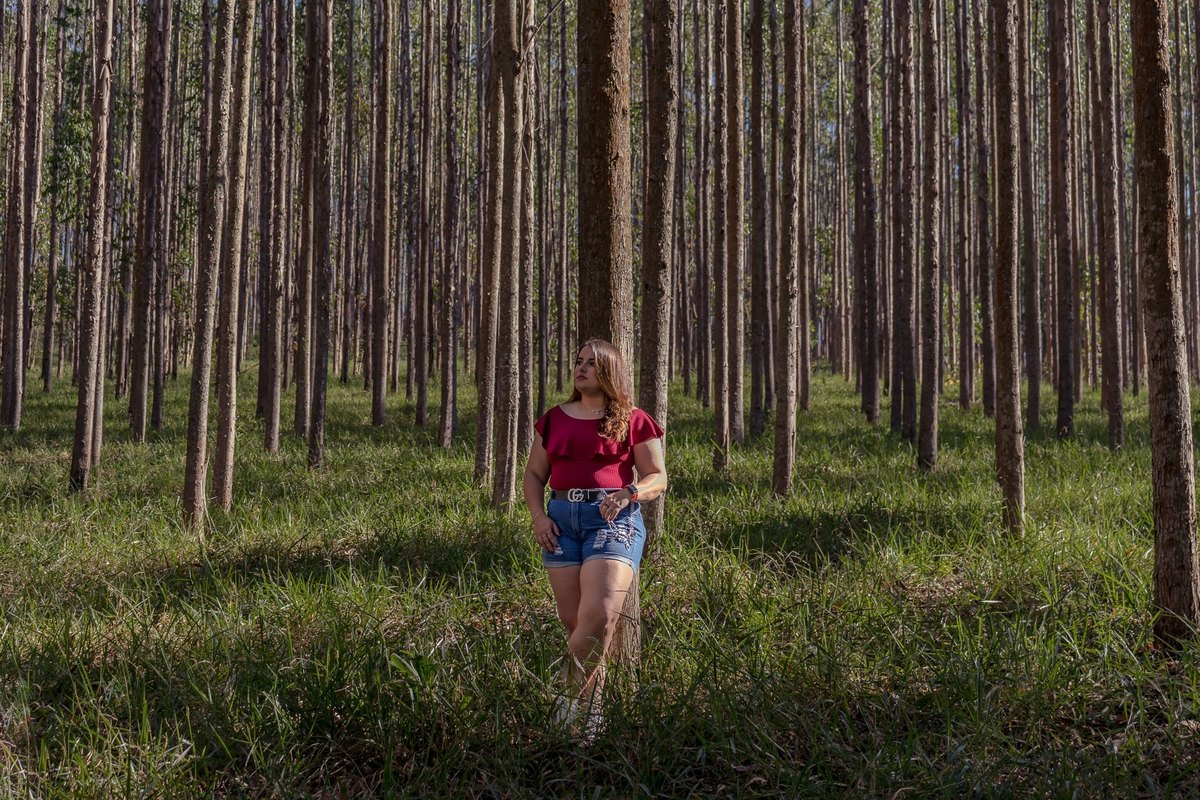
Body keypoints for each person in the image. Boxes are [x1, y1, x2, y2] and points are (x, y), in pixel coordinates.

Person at [522, 338, 667, 735]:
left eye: (591, 363)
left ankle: (563, 709)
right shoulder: (554, 418)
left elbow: (659, 476)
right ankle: (592, 715)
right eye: (578, 361)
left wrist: (629, 493)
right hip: (561, 521)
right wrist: (538, 518)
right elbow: (534, 475)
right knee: (576, 622)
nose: (581, 368)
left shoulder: (633, 418)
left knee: (600, 614)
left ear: (609, 371)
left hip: (612, 519)